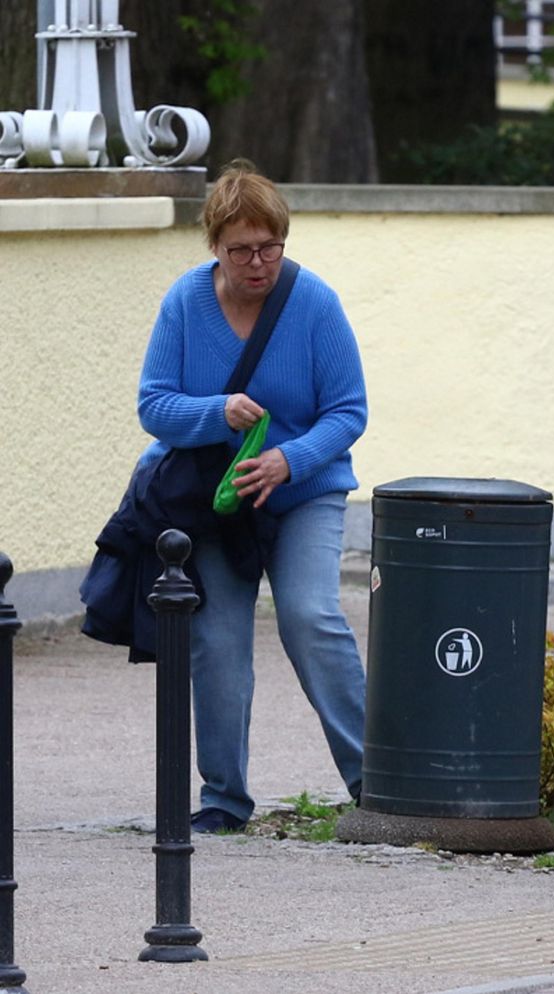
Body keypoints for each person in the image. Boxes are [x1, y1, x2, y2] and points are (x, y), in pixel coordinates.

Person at [137, 160, 368, 833]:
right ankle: (224, 799)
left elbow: (348, 411)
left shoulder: (314, 302)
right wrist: (218, 412)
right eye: (241, 250)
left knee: (310, 617)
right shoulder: (185, 303)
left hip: (303, 494)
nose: (259, 263)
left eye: (271, 247)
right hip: (219, 502)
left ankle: (378, 781)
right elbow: (154, 405)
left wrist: (289, 460)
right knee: (216, 640)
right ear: (214, 244)